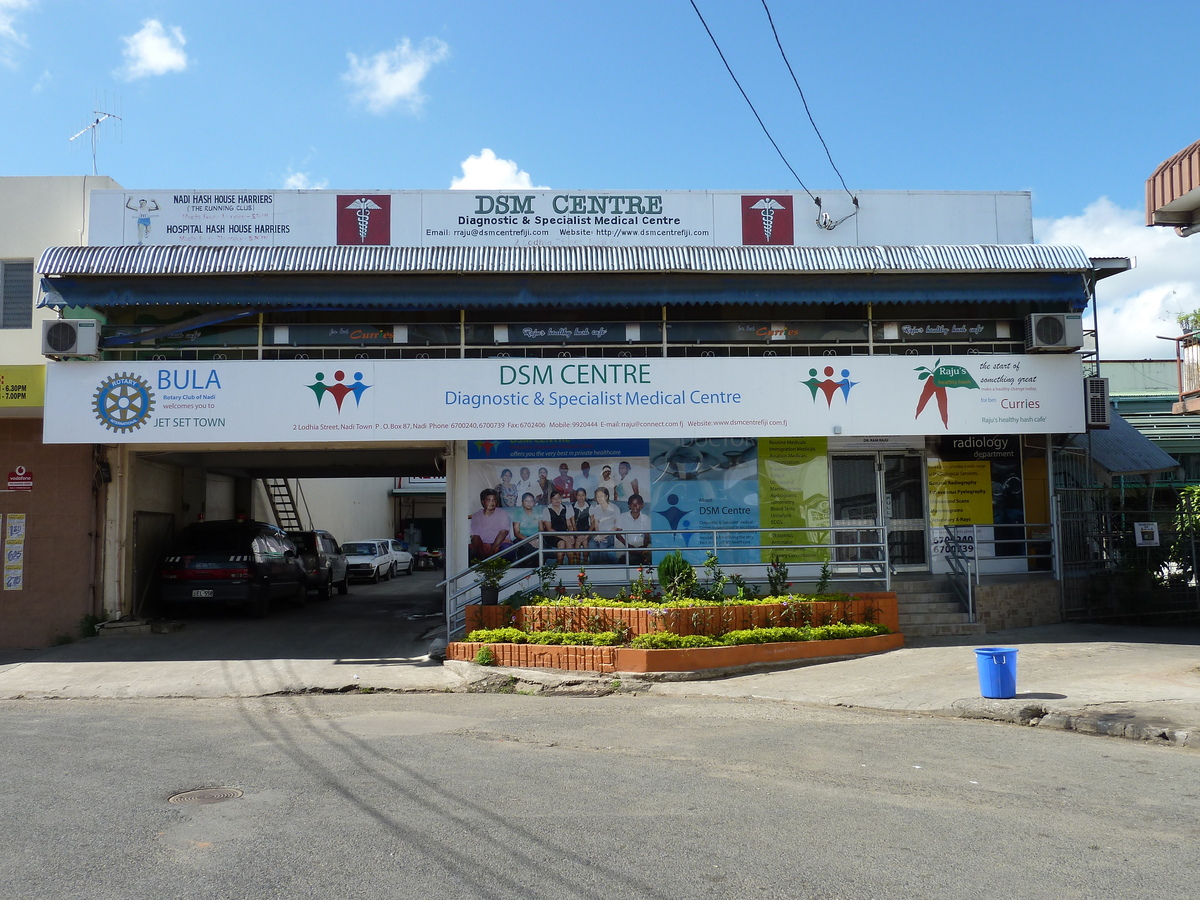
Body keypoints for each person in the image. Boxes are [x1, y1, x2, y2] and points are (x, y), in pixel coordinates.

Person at [469, 488, 512, 563]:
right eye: (488, 500)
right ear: (483, 501)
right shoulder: (477, 515)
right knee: (469, 553)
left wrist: (492, 549)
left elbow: (503, 532)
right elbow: (475, 536)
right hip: (483, 545)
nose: (491, 502)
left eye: (494, 500)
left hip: (500, 544)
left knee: (507, 550)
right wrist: (482, 553)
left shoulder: (502, 513)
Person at [616, 493, 651, 565]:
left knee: (649, 553)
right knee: (623, 558)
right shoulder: (622, 516)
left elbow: (647, 536)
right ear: (629, 505)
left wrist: (643, 547)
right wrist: (628, 546)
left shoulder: (646, 518)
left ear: (642, 505)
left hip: (640, 543)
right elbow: (618, 535)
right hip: (624, 543)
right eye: (632, 504)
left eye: (637, 503)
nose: (635, 506)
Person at [540, 489, 574, 564]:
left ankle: (572, 567)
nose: (556, 500)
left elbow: (569, 524)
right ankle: (559, 567)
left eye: (558, 498)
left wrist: (571, 534)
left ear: (561, 499)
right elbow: (549, 529)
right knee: (562, 543)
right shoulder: (546, 510)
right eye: (554, 498)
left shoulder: (566, 508)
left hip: (564, 533)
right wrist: (564, 537)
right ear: (551, 500)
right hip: (551, 535)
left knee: (569, 543)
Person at [510, 492, 543, 566]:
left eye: (531, 501)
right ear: (522, 502)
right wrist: (530, 540)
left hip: (536, 538)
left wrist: (537, 539)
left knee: (543, 551)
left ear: (534, 502)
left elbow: (541, 529)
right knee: (529, 552)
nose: (529, 503)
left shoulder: (537, 512)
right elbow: (516, 532)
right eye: (526, 501)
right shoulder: (517, 513)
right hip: (522, 539)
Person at [589, 485, 620, 564]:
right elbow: (596, 524)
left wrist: (604, 536)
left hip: (611, 534)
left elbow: (616, 526)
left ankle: (604, 567)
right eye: (597, 496)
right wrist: (598, 535)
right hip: (600, 533)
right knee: (592, 544)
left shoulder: (615, 508)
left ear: (606, 496)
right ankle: (594, 566)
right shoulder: (596, 508)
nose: (599, 498)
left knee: (603, 545)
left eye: (601, 496)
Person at [570, 487, 592, 565]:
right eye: (579, 495)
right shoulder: (572, 507)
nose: (581, 497)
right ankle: (578, 564)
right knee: (578, 541)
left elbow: (593, 524)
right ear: (576, 496)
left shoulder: (590, 506)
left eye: (583, 495)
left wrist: (586, 535)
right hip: (576, 531)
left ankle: (585, 564)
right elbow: (573, 524)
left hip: (587, 530)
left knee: (585, 541)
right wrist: (577, 535)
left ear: (585, 496)